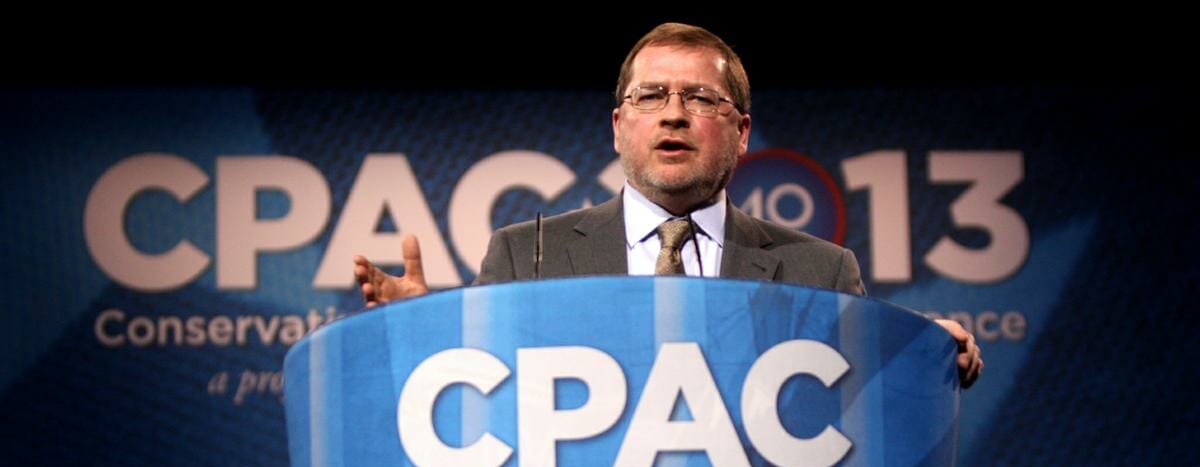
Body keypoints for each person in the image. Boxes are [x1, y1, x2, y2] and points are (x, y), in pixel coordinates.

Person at [354, 23, 983, 387]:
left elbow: (853, 393)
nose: (675, 113)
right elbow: (483, 386)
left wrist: (923, 353)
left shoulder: (820, 270)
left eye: (702, 99)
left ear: (741, 133)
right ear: (619, 125)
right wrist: (427, 329)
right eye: (651, 96)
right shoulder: (526, 254)